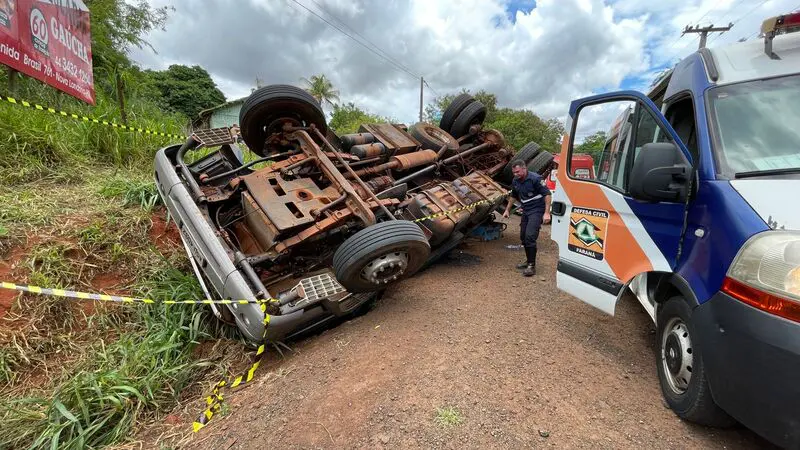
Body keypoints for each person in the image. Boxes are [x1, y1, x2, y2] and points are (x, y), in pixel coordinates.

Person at [503, 160, 551, 277]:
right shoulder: (515, 181)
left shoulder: (535, 179)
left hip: (537, 210)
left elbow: (547, 194)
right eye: (514, 172)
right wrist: (507, 210)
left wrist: (546, 213)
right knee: (523, 236)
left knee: (530, 236)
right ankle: (528, 260)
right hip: (526, 210)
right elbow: (513, 196)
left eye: (518, 172)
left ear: (524, 169)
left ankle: (531, 266)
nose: (516, 174)